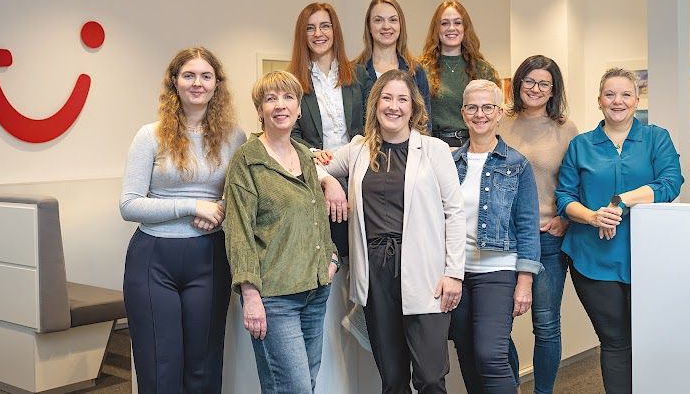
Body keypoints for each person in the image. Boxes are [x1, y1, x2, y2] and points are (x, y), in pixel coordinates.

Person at [317, 69, 465, 394]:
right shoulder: (358, 150)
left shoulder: (435, 150)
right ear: (375, 104)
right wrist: (329, 181)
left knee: (430, 376)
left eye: (402, 99)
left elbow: (455, 213)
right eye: (386, 98)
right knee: (393, 379)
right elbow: (308, 164)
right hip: (375, 274)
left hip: (426, 272)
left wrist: (454, 273)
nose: (393, 106)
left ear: (414, 107)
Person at [120, 47, 245, 393]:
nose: (197, 83)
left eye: (206, 76)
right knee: (160, 366)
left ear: (217, 84)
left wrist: (219, 210)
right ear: (174, 82)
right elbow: (129, 205)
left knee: (204, 367)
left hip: (209, 258)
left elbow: (238, 194)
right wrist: (193, 206)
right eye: (188, 75)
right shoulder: (149, 136)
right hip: (153, 260)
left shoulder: (235, 137)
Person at [555, 68, 684, 394]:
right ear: (599, 100)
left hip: (648, 257)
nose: (618, 101)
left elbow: (670, 183)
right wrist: (592, 217)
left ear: (637, 100)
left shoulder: (656, 138)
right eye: (610, 94)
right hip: (593, 258)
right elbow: (564, 197)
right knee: (614, 342)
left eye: (626, 94)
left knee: (650, 339)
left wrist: (620, 201)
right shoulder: (581, 145)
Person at [224, 70, 339, 394]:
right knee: (293, 388)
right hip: (275, 298)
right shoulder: (247, 160)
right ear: (259, 110)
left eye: (288, 97)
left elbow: (316, 217)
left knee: (306, 385)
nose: (280, 105)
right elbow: (238, 231)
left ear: (299, 109)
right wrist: (250, 295)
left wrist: (331, 259)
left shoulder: (304, 155)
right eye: (270, 98)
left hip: (315, 292)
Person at [448, 80, 542, 394]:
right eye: (472, 107)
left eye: (488, 107)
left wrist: (525, 281)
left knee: (490, 354)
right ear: (463, 113)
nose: (480, 114)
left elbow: (527, 225)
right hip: (456, 272)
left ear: (499, 113)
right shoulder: (449, 163)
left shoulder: (517, 164)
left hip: (497, 271)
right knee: (467, 353)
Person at [499, 55, 578, 394]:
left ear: (553, 90)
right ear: (518, 83)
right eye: (529, 81)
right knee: (497, 326)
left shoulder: (566, 129)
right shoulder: (499, 122)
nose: (535, 88)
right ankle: (510, 387)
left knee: (545, 325)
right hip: (502, 239)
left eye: (544, 83)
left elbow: (577, 182)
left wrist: (566, 218)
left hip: (547, 239)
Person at [287, 1, 366, 259]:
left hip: (357, 162)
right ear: (302, 35)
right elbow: (290, 132)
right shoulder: (292, 80)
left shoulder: (359, 75)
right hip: (316, 166)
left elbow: (370, 121)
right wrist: (311, 152)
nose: (318, 33)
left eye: (325, 26)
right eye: (310, 28)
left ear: (335, 31)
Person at [420, 0, 500, 147]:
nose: (451, 28)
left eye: (457, 23)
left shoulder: (483, 69)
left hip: (475, 145)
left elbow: (493, 114)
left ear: (465, 28)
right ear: (436, 29)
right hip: (434, 146)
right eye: (444, 23)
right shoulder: (421, 69)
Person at [353, 0, 432, 129]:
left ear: (400, 25)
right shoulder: (354, 72)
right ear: (369, 26)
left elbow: (425, 123)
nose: (386, 26)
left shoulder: (415, 71)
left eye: (393, 20)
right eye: (378, 20)